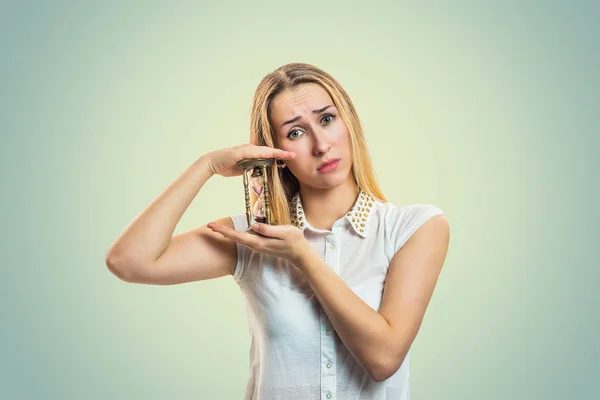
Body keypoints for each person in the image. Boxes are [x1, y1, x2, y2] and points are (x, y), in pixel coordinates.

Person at [105, 62, 450, 400]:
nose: (321, 145)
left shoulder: (413, 228)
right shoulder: (253, 237)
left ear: (349, 124)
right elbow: (129, 261)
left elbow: (384, 359)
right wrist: (206, 165)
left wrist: (302, 256)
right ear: (275, 152)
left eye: (327, 119)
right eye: (295, 132)